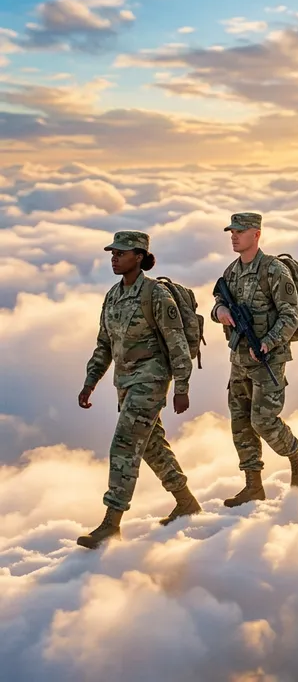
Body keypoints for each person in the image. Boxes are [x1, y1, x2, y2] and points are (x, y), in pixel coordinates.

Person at [77, 231, 201, 549]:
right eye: (112, 253)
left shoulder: (156, 294)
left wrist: (182, 387)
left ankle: (111, 523)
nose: (114, 258)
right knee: (151, 445)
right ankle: (186, 501)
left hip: (152, 379)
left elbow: (176, 344)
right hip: (126, 381)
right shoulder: (112, 296)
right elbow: (105, 344)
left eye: (120, 253)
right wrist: (90, 382)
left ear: (139, 256)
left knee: (124, 444)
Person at [211, 212, 298, 503]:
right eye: (231, 231)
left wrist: (268, 343)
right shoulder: (231, 271)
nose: (233, 236)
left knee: (264, 421)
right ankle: (253, 484)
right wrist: (221, 313)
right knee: (240, 422)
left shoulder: (273, 270)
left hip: (269, 360)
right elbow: (218, 302)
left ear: (256, 234)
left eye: (239, 231)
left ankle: (296, 454)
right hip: (239, 358)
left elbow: (290, 315)